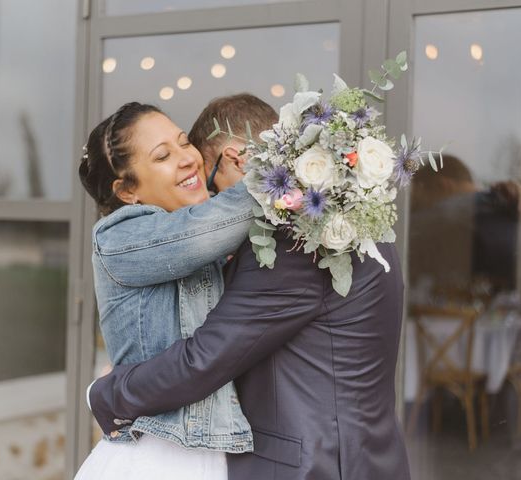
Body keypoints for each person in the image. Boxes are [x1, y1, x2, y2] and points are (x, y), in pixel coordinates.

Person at [88, 94, 411, 480]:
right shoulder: (352, 219)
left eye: (212, 188)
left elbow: (206, 358)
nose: (211, 203)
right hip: (365, 454)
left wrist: (107, 392)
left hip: (317, 465)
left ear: (235, 160)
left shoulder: (293, 239)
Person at [74, 100, 276, 479]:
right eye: (163, 155)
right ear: (127, 190)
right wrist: (288, 169)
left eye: (185, 143)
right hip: (155, 458)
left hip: (214, 453)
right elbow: (204, 230)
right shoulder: (119, 236)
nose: (187, 159)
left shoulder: (214, 225)